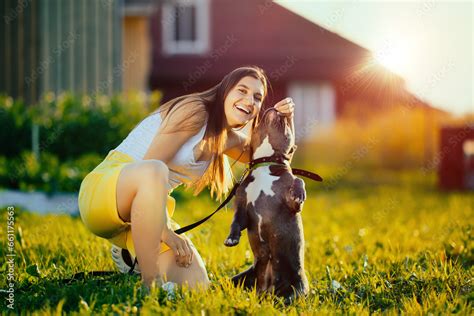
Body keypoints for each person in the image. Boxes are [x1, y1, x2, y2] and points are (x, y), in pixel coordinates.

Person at [78, 66, 295, 289]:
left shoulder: (227, 139)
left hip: (144, 215)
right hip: (104, 194)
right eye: (242, 90)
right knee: (155, 169)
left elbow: (275, 159)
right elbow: (149, 167)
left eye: (257, 97)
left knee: (197, 286)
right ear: (225, 91)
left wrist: (287, 121)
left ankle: (129, 256)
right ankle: (150, 284)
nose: (249, 101)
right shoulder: (195, 110)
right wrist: (165, 231)